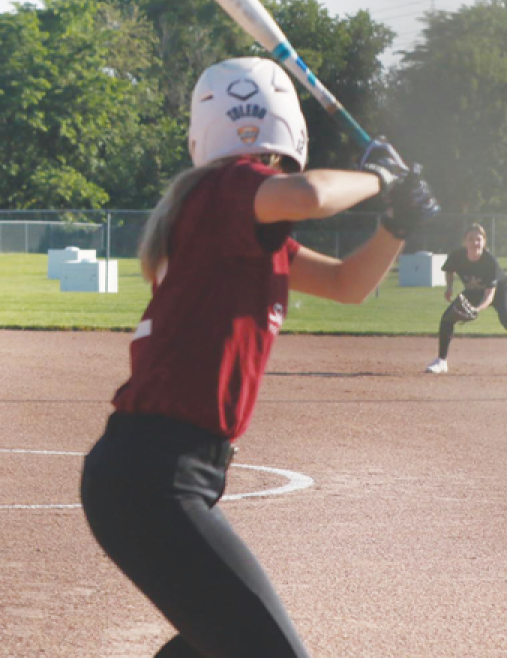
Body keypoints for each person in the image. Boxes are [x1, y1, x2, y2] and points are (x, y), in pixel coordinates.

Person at [79, 56, 438, 658]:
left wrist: (395, 225)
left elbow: (350, 284)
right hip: (156, 479)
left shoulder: (239, 233)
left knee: (211, 644)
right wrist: (379, 178)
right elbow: (312, 193)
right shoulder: (223, 191)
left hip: (154, 477)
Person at [425, 223, 507, 374]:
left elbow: (489, 296)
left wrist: (476, 310)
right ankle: (441, 361)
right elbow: (449, 270)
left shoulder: (490, 262)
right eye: (471, 239)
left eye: (478, 239)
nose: (475, 242)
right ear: (464, 242)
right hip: (473, 290)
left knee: (505, 318)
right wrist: (449, 287)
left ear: (484, 242)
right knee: (447, 318)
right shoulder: (457, 256)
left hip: (500, 291)